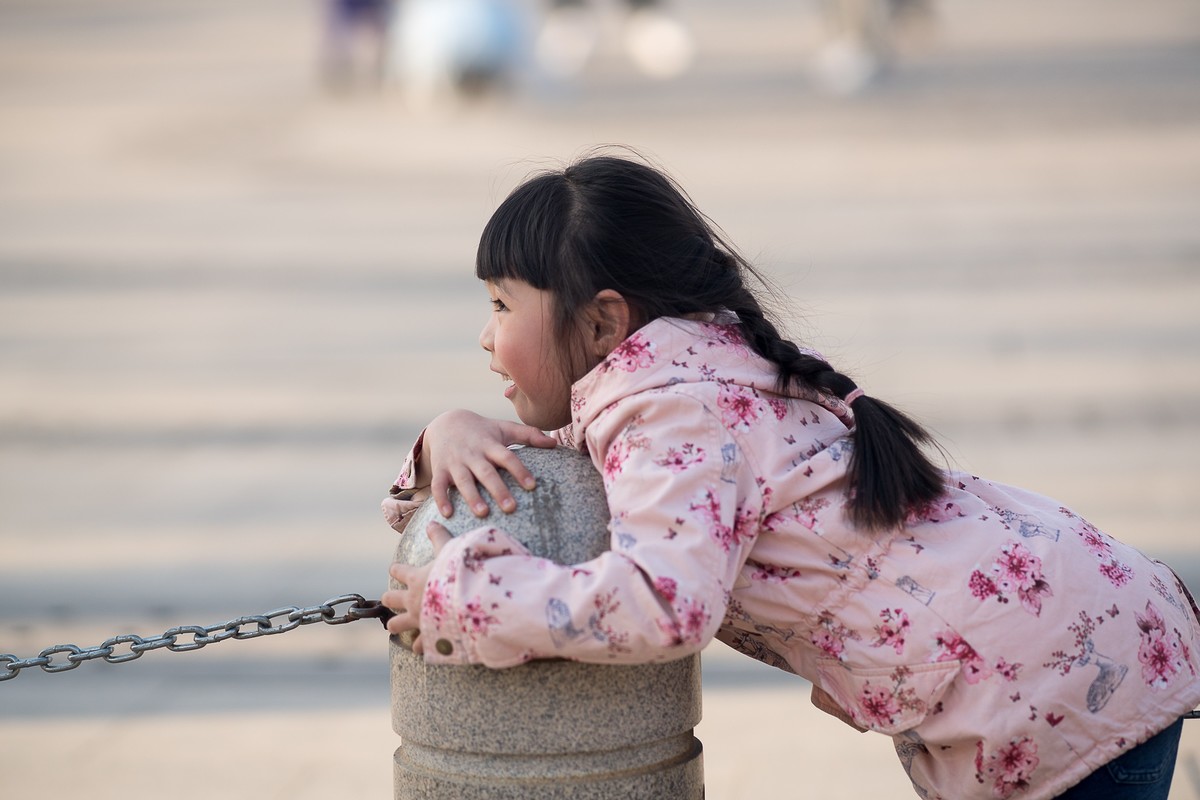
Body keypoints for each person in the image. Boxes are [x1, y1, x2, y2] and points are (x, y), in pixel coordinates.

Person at [380, 149, 1200, 799]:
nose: (486, 339)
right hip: (1071, 641)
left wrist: (471, 598)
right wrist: (449, 436)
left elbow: (666, 606)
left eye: (499, 305)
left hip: (1057, 682)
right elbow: (606, 462)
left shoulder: (676, 414)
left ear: (603, 320)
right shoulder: (689, 381)